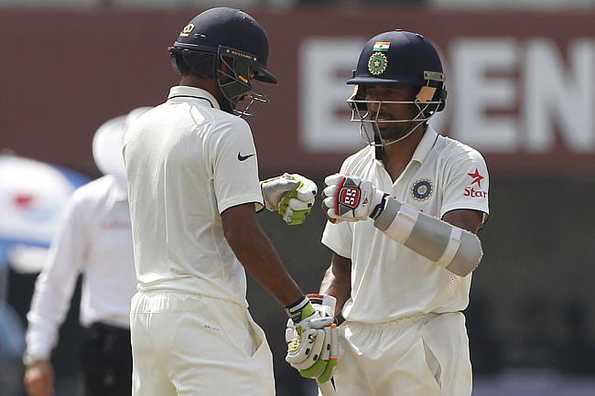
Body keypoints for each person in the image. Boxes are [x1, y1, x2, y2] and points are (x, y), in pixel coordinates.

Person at [123, 7, 334, 396]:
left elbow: (185, 209)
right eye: (249, 74)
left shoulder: (140, 129)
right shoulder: (228, 128)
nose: (250, 87)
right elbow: (240, 233)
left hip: (148, 315)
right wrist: (299, 307)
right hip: (205, 316)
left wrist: (259, 194)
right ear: (227, 63)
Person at [317, 30, 490, 395]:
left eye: (390, 92)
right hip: (356, 340)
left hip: (425, 336)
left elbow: (463, 255)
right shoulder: (354, 167)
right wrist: (320, 321)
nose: (377, 105)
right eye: (370, 92)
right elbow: (340, 270)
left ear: (425, 98)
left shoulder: (460, 162)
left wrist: (381, 209)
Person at [22, 107, 150, 396]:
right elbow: (56, 280)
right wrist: (37, 355)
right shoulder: (89, 203)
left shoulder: (182, 205)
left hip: (169, 340)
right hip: (108, 345)